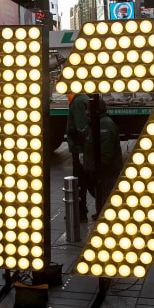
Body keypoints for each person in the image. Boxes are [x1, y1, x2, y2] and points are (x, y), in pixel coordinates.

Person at [82, 98, 122, 219]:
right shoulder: (96, 123)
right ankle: (101, 212)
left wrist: (97, 169)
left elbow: (106, 153)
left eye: (88, 109)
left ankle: (104, 216)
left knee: (105, 193)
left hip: (105, 172)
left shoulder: (104, 125)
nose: (86, 112)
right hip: (98, 170)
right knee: (100, 193)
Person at [66, 93, 90, 221]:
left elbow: (81, 127)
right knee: (81, 180)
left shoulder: (79, 101)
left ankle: (80, 211)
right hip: (79, 147)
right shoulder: (79, 99)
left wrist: (81, 149)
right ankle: (80, 210)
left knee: (80, 180)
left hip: (79, 148)